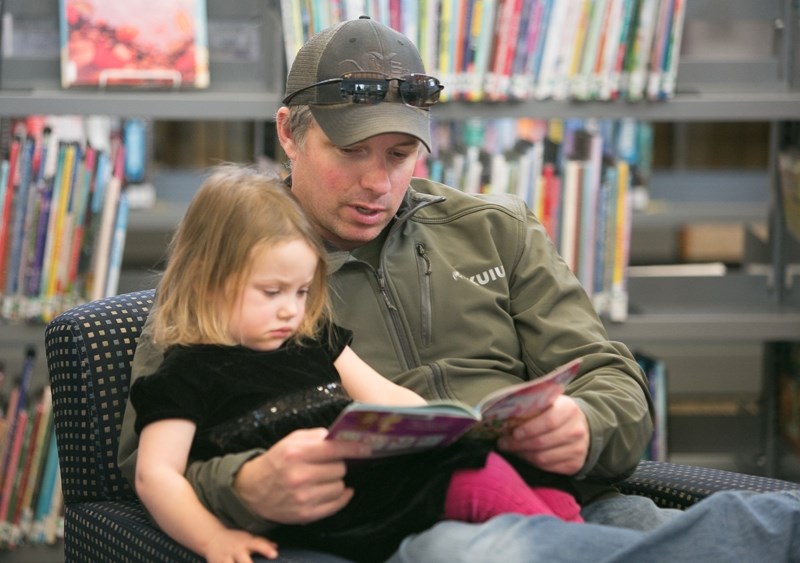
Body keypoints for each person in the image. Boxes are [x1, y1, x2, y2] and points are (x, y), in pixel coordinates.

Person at [118, 17, 800, 563]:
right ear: (289, 134)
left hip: (574, 503)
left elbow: (615, 384)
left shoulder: (496, 229)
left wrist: (585, 426)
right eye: (351, 152)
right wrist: (243, 484)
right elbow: (142, 461)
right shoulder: (233, 264)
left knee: (764, 517)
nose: (377, 183)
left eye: (398, 154)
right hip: (414, 524)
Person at [130, 165, 583, 563]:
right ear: (208, 280)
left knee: (540, 489)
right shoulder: (184, 375)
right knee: (479, 484)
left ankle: (574, 538)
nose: (291, 310)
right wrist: (213, 539)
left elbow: (388, 398)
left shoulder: (312, 337)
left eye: (303, 291)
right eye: (272, 292)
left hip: (381, 483)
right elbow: (156, 476)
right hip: (342, 512)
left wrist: (452, 425)